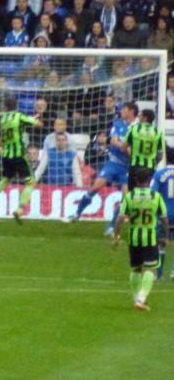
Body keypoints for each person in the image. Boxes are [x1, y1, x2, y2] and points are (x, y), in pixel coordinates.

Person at [67, 102, 137, 231]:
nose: (121, 111)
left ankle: (111, 227)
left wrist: (124, 148)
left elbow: (133, 151)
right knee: (95, 187)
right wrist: (126, 148)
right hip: (113, 163)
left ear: (131, 111)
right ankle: (77, 213)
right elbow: (114, 141)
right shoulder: (118, 124)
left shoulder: (137, 128)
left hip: (128, 168)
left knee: (125, 198)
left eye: (124, 109)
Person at [111, 167, 168, 311]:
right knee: (151, 270)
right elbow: (164, 219)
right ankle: (141, 300)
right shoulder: (156, 196)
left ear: (135, 180)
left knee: (136, 269)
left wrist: (116, 237)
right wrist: (165, 237)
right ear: (149, 181)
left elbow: (120, 218)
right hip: (150, 237)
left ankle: (136, 298)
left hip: (134, 237)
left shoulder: (129, 197)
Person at [0, 98, 43, 224]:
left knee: (6, 179)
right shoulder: (19, 115)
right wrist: (36, 120)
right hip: (18, 155)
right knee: (31, 182)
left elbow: (18, 126)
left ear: (5, 107)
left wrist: (30, 119)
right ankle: (20, 210)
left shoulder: (3, 119)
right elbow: (38, 125)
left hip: (6, 154)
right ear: (16, 106)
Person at [122, 109, 164, 192]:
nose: (138, 117)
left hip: (135, 166)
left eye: (140, 116)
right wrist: (153, 162)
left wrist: (131, 155)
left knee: (132, 192)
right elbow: (160, 155)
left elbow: (124, 147)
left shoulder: (133, 129)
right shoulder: (158, 133)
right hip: (150, 167)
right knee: (147, 191)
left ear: (145, 118)